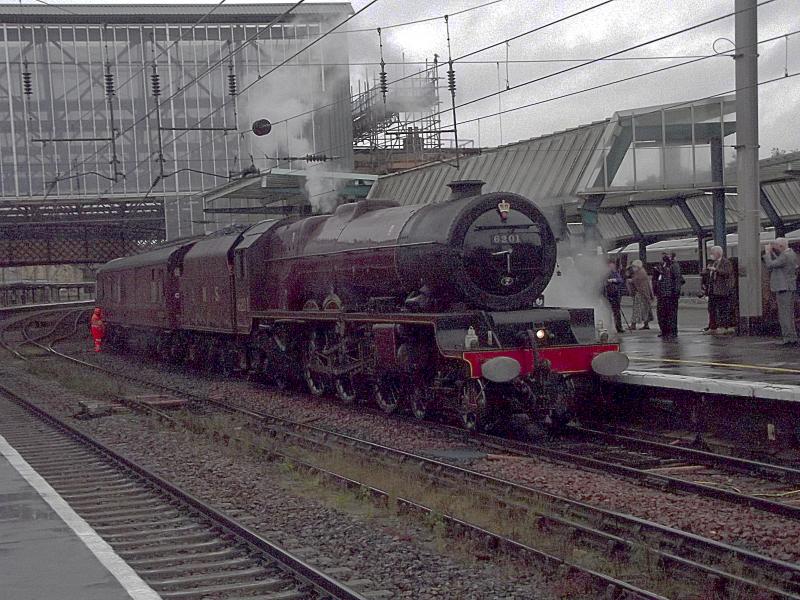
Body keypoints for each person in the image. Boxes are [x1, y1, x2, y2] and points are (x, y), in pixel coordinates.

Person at [763, 238, 798, 346]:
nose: (776, 248)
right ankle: (792, 336)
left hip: (783, 287)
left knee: (784, 314)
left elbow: (770, 264)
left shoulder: (785, 255)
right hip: (789, 287)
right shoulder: (791, 254)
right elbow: (778, 263)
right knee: (789, 314)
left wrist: (768, 253)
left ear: (782, 246)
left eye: (777, 247)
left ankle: (787, 338)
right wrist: (773, 253)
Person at [707, 245, 735, 334]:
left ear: (718, 253)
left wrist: (716, 270)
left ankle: (724, 327)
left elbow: (727, 273)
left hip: (722, 291)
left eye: (712, 253)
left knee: (723, 309)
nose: (711, 255)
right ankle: (713, 327)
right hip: (713, 290)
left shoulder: (726, 262)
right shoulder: (714, 263)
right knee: (711, 309)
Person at [654, 253, 683, 340]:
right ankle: (664, 331)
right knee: (662, 314)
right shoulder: (661, 267)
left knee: (671, 314)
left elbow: (678, 279)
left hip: (670, 295)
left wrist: (676, 293)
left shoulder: (674, 266)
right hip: (662, 294)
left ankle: (672, 332)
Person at [627, 259, 653, 330]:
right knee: (645, 309)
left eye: (633, 267)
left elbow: (636, 280)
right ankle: (646, 324)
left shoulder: (640, 273)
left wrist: (631, 280)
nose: (633, 268)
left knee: (637, 309)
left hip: (640, 293)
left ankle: (633, 325)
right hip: (644, 293)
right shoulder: (642, 271)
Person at [604, 260, 625, 334]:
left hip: (615, 295)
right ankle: (609, 327)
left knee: (616, 312)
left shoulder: (615, 273)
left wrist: (613, 280)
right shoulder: (604, 274)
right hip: (608, 295)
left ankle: (619, 327)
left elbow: (620, 280)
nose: (612, 267)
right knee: (608, 312)